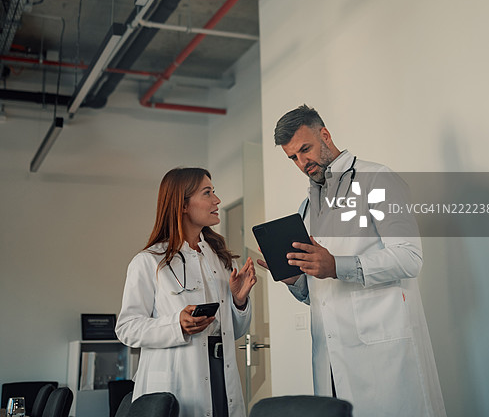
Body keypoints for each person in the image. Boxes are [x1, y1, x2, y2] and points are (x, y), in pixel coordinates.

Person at [259, 105, 446, 417]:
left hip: (383, 354)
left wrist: (337, 266)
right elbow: (322, 293)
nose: (303, 162)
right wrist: (296, 281)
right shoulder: (306, 207)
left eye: (305, 149)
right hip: (330, 359)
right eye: (293, 157)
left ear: (325, 135)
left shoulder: (377, 180)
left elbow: (409, 257)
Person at [116, 167, 256, 417]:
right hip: (177, 378)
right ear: (182, 205)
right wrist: (176, 325)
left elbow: (236, 331)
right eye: (207, 193)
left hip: (221, 373)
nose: (217, 200)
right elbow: (127, 328)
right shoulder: (149, 261)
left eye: (214, 192)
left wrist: (239, 301)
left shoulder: (223, 260)